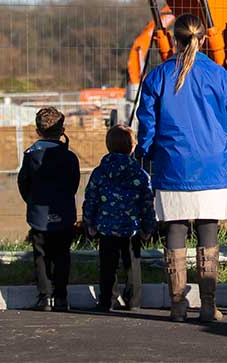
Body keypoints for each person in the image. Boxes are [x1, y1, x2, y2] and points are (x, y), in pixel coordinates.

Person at [137, 13, 227, 323]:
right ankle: (209, 304)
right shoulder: (219, 75)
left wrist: (147, 152)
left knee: (175, 228)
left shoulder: (158, 76)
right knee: (208, 230)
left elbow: (147, 125)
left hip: (172, 163)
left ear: (174, 38)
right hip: (213, 162)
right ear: (204, 39)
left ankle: (177, 304)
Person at [82, 125, 156, 312]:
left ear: (108, 146)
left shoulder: (99, 173)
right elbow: (147, 204)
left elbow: (90, 198)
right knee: (133, 264)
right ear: (133, 147)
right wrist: (148, 227)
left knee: (107, 265)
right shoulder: (140, 174)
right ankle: (134, 300)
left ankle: (107, 299)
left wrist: (89, 221)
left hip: (106, 227)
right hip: (132, 228)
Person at [17, 107, 80, 312]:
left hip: (38, 214)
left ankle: (44, 296)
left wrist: (31, 201)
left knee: (41, 255)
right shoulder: (69, 157)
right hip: (63, 211)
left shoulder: (31, 156)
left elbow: (23, 182)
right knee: (63, 254)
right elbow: (74, 184)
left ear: (37, 131)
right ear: (62, 130)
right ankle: (61, 296)